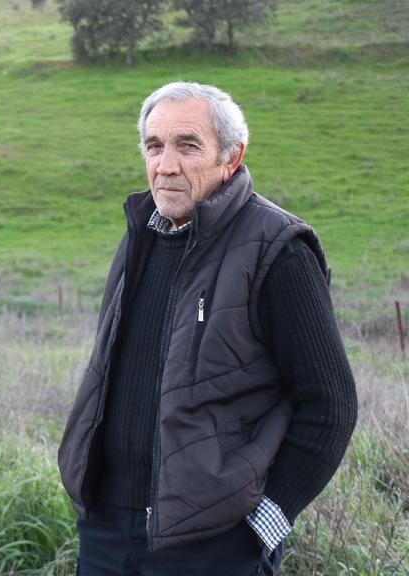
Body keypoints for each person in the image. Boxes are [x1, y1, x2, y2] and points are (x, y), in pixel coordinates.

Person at [57, 82, 357, 575]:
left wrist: (269, 520)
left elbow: (331, 403)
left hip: (215, 544)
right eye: (154, 147)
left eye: (187, 146)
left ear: (231, 157)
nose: (166, 165)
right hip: (108, 529)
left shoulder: (277, 250)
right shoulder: (140, 238)